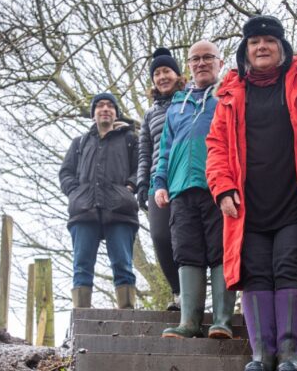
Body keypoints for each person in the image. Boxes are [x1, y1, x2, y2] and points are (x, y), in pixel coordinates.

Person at [206, 16, 297, 371]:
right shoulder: (229, 92)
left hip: (294, 202)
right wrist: (222, 188)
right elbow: (216, 147)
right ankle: (261, 355)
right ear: (245, 50)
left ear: (282, 47)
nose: (261, 47)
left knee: (287, 269)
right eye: (254, 42)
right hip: (247, 206)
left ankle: (290, 355)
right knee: (255, 273)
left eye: (269, 41)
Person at [153, 40, 236, 339]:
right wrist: (159, 183)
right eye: (195, 59)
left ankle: (223, 320)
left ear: (219, 61)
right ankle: (189, 322)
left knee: (219, 251)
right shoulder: (177, 104)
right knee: (186, 252)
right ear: (188, 65)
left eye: (207, 58)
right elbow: (165, 148)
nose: (201, 63)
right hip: (180, 191)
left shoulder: (229, 96)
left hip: (217, 188)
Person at [59, 92, 140, 309]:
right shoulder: (80, 143)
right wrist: (75, 192)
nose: (105, 109)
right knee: (82, 265)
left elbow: (141, 169)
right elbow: (66, 172)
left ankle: (127, 316)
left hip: (120, 209)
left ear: (116, 113)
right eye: (100, 106)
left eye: (110, 106)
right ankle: (81, 316)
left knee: (123, 264)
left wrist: (130, 187)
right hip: (84, 210)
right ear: (93, 113)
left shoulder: (130, 140)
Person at [136, 48, 186, 311]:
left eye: (166, 70)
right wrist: (143, 182)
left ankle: (193, 295)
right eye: (157, 73)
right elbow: (145, 150)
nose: (162, 76)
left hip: (186, 177)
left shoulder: (190, 100)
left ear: (177, 74)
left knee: (187, 239)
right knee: (160, 236)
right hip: (159, 181)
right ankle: (178, 291)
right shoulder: (149, 113)